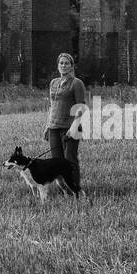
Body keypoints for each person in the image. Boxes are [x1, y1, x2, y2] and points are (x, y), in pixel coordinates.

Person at [44, 52, 86, 194]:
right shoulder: (53, 83)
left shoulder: (76, 83)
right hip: (54, 128)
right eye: (61, 63)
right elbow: (52, 106)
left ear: (72, 66)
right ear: (58, 65)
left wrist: (74, 127)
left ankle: (76, 191)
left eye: (66, 63)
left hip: (70, 128)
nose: (63, 65)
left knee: (70, 161)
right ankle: (65, 191)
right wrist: (47, 126)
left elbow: (81, 107)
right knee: (56, 162)